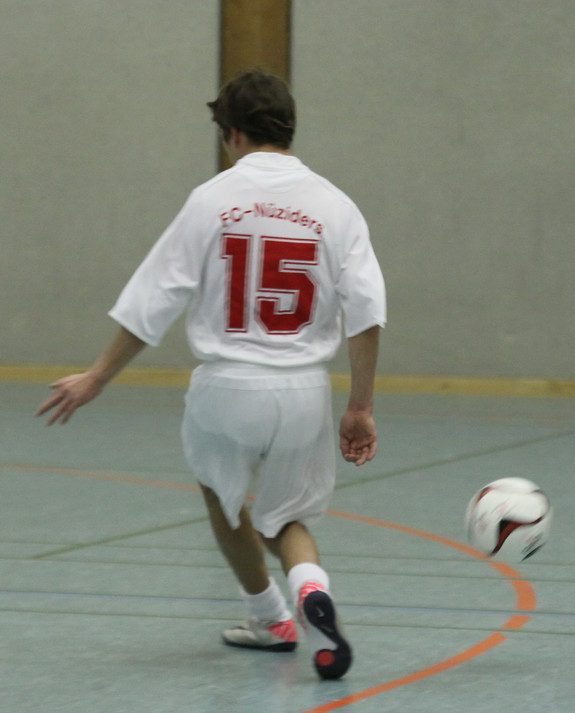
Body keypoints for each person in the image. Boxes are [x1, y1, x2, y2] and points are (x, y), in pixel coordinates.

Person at [36, 70, 386, 681]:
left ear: (232, 134)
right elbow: (367, 313)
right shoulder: (337, 206)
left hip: (226, 386)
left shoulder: (211, 200)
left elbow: (155, 298)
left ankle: (270, 617)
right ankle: (311, 589)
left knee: (224, 498)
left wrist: (97, 376)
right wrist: (360, 406)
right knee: (289, 517)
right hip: (304, 388)